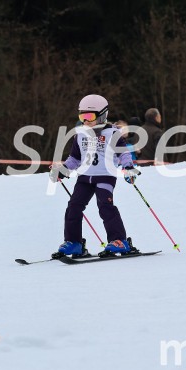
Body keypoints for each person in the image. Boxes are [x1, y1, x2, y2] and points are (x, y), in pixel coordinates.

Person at [49, 94, 140, 258]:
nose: (85, 120)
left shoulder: (113, 133)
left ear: (102, 115)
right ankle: (74, 242)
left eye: (89, 116)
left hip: (105, 177)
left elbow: (124, 153)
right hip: (84, 178)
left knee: (105, 207)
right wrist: (63, 170)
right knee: (73, 207)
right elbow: (75, 159)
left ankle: (119, 241)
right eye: (82, 116)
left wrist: (128, 167)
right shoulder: (80, 134)